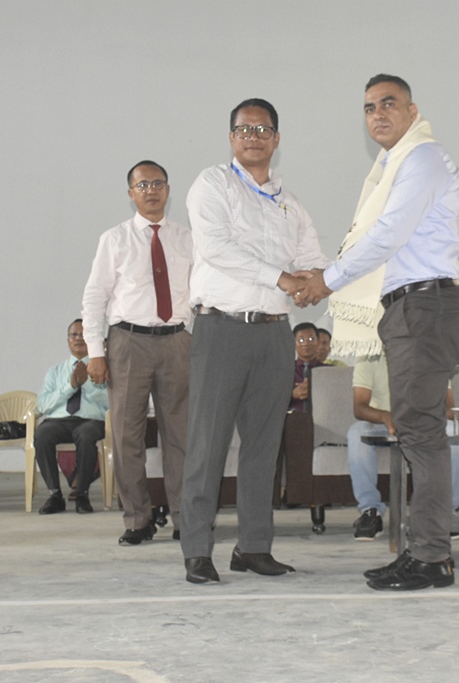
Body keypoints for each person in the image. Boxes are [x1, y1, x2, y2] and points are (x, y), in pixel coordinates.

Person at [294, 74, 459, 591]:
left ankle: (433, 557)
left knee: (422, 435)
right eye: (369, 107)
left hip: (426, 305)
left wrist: (326, 281)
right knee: (415, 433)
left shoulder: (422, 158)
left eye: (389, 104)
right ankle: (423, 550)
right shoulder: (393, 166)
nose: (377, 114)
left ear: (412, 111)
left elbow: (388, 234)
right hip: (408, 308)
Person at [180, 97, 329, 584]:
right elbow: (217, 248)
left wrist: (319, 280)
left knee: (264, 446)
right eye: (244, 129)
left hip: (274, 335)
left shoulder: (290, 203)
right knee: (208, 444)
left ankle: (254, 546)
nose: (254, 137)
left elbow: (311, 258)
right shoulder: (212, 184)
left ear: (277, 139)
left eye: (263, 130)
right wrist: (284, 279)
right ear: (231, 137)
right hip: (221, 328)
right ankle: (197, 550)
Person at [82, 160, 192, 544]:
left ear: (168, 190)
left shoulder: (187, 238)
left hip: (177, 342)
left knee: (180, 434)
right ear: (131, 194)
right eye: (142, 185)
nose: (151, 190)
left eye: (158, 183)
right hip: (128, 343)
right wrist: (95, 352)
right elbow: (95, 296)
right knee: (127, 436)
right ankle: (137, 519)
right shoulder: (114, 239)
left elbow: (201, 292)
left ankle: (185, 519)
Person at [348, 354, 459, 540]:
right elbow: (359, 408)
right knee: (356, 433)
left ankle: (446, 513)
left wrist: (422, 417)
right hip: (382, 424)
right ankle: (370, 512)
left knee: (452, 433)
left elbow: (450, 409)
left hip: (424, 422)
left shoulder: (434, 356)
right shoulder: (369, 359)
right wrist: (386, 417)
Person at [33, 319, 108, 515]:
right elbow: (42, 405)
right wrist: (70, 387)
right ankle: (55, 495)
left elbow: (111, 402)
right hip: (59, 421)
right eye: (74, 335)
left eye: (83, 335)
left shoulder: (103, 369)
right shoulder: (55, 371)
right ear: (68, 340)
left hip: (91, 421)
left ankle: (82, 494)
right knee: (42, 434)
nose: (78, 339)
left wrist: (87, 384)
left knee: (86, 435)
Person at [289, 322, 325, 412]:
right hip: (292, 418)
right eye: (301, 340)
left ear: (318, 342)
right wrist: (292, 394)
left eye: (310, 339)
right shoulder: (285, 370)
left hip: (323, 417)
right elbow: (270, 398)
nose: (306, 343)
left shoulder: (329, 371)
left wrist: (316, 390)